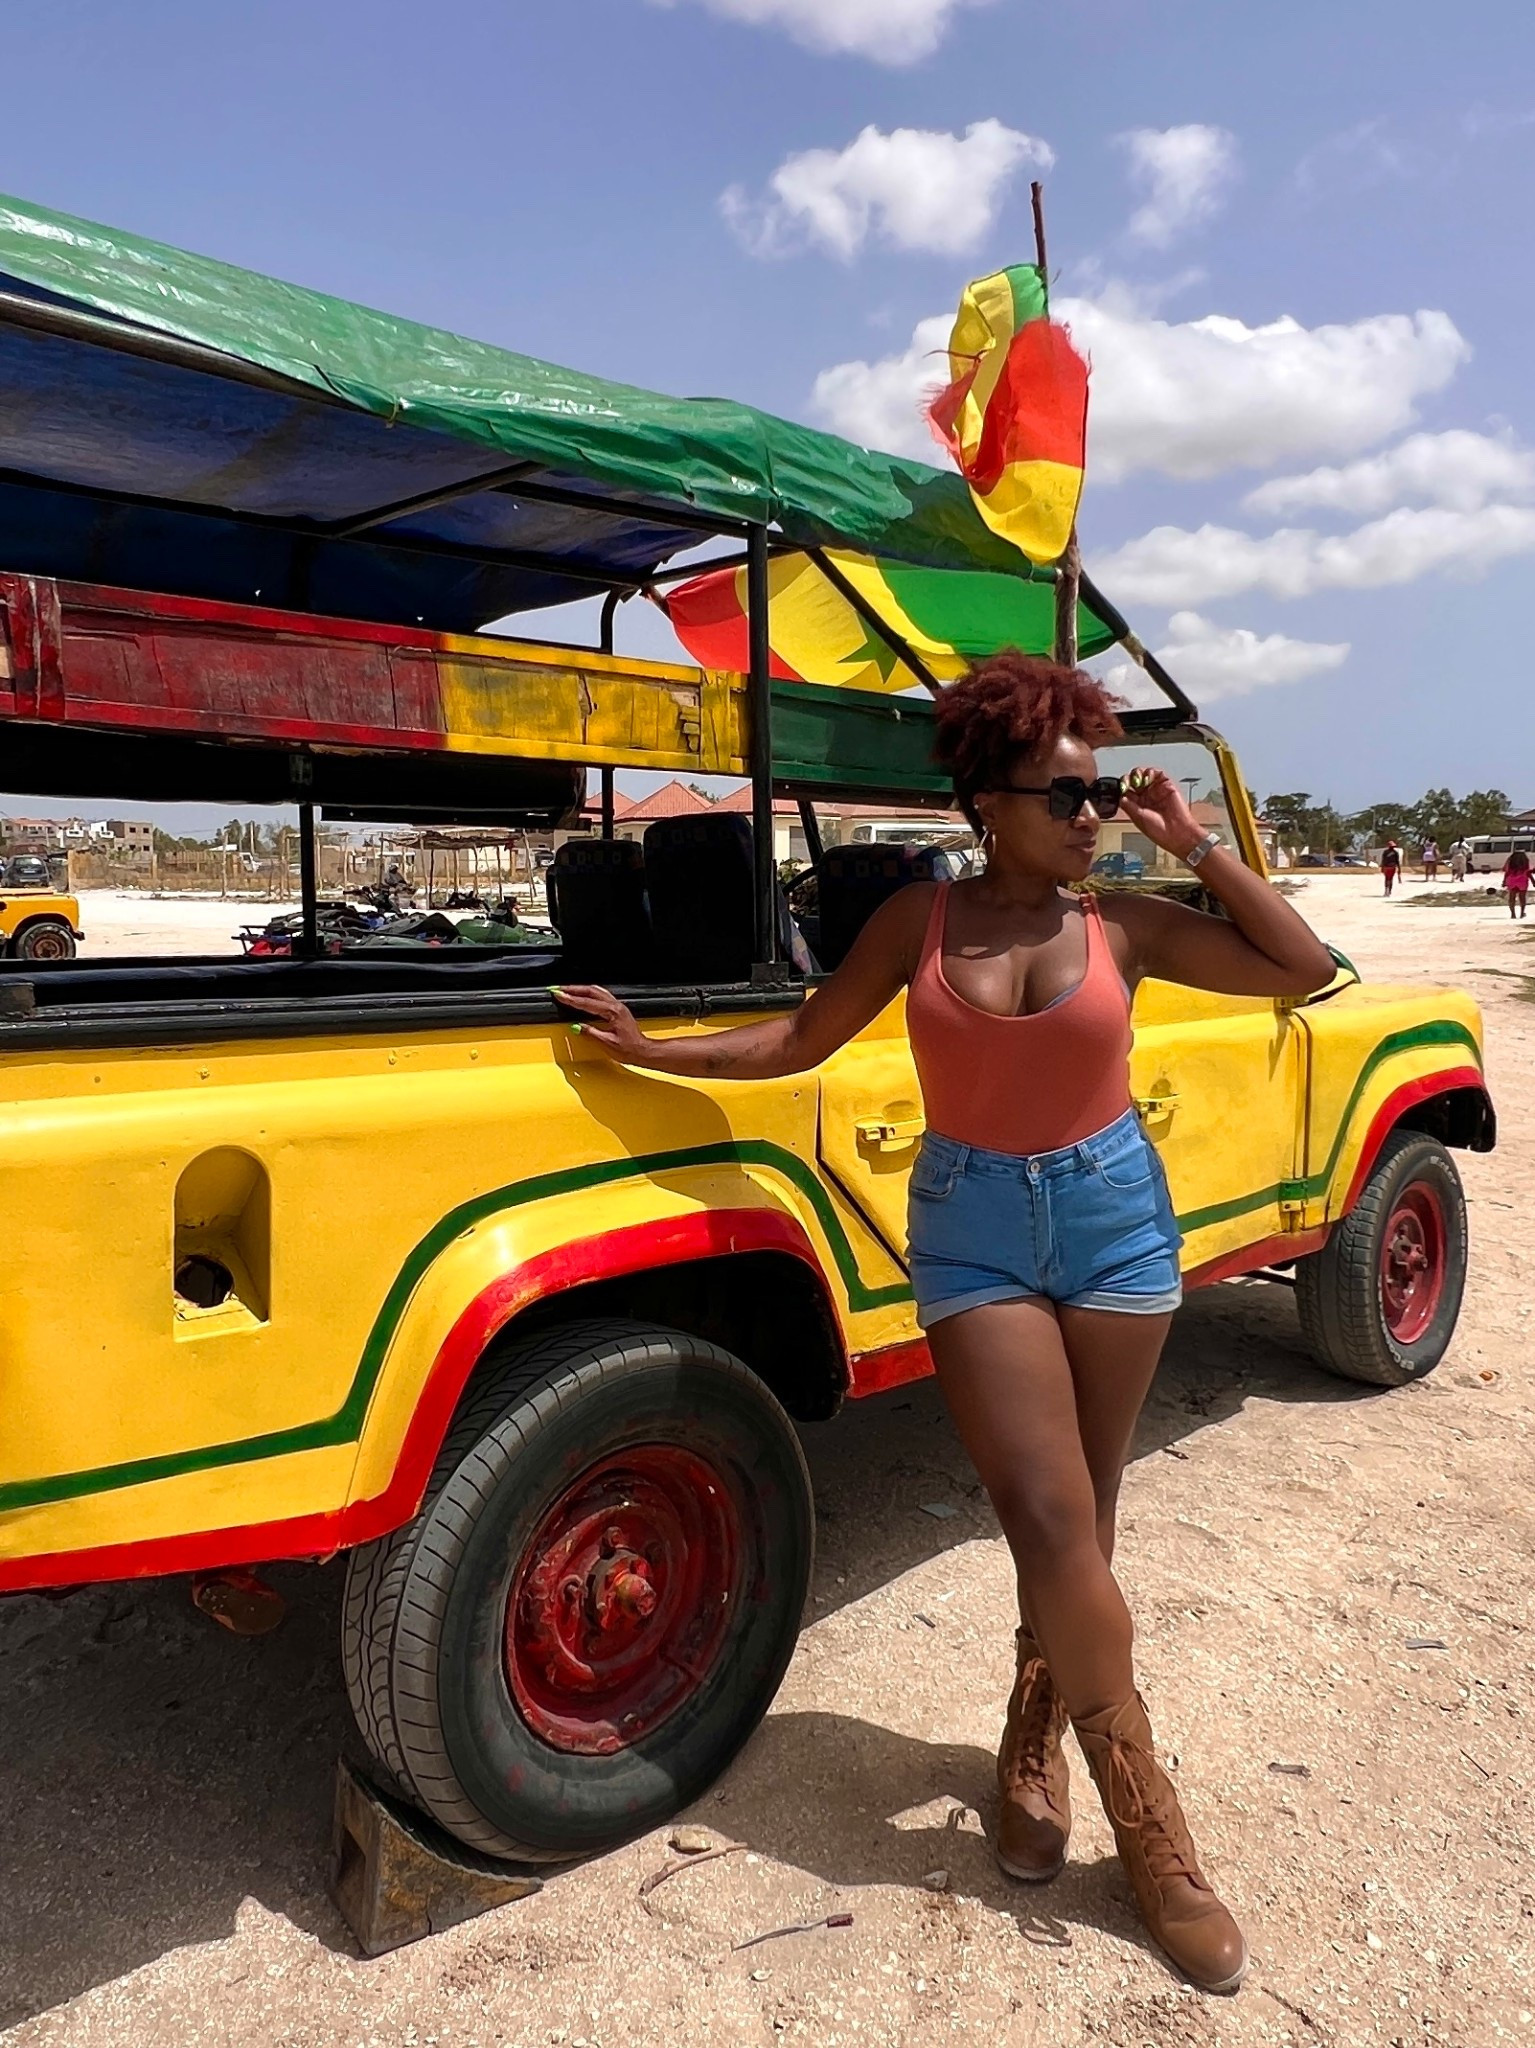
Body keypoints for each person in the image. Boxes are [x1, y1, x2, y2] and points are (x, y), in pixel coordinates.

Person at [554, 654, 1334, 1995]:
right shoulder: (915, 920)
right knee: (1044, 1513)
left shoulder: (1125, 922)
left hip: (1112, 1222)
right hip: (972, 1229)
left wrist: (1191, 843)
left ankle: (1034, 1719)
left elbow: (1301, 967)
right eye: (1064, 796)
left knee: (1084, 1516)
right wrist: (650, 1051)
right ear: (987, 804)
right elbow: (801, 1038)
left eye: (1097, 794)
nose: (1089, 817)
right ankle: (1146, 1816)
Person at [1504, 847, 1531, 919]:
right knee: (1522, 898)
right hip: (1522, 880)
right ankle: (1522, 913)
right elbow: (1528, 872)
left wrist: (1504, 881)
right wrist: (1533, 881)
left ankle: (1513, 914)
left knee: (1512, 898)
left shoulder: (1510, 860)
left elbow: (1507, 871)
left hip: (1511, 880)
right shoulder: (1525, 860)